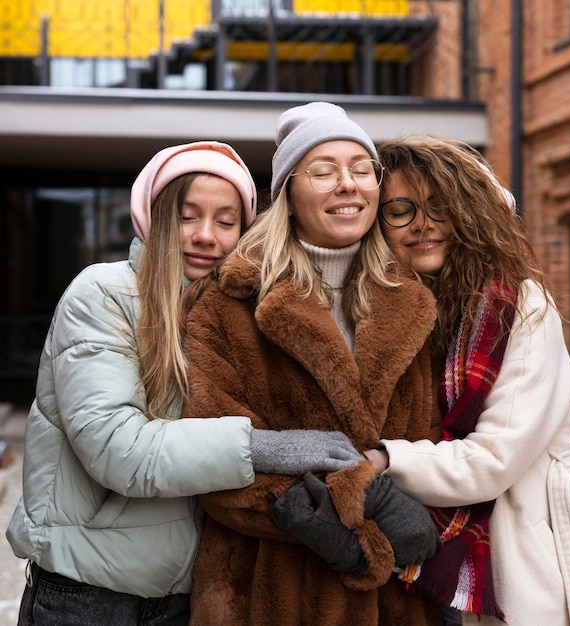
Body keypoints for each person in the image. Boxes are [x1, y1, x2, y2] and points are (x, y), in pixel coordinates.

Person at [6, 140, 363, 626]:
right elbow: (117, 447)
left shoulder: (234, 315)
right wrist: (265, 447)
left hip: (188, 598)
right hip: (88, 596)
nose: (205, 236)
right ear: (155, 217)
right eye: (187, 216)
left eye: (225, 220)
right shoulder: (103, 294)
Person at [182, 103, 443, 625]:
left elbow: (433, 439)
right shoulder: (229, 303)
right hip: (267, 590)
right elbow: (206, 456)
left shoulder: (413, 299)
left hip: (395, 600)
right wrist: (351, 515)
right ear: (288, 195)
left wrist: (402, 507)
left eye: (361, 169)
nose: (348, 184)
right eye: (323, 171)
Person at [364, 135, 570, 625]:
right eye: (401, 209)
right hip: (429, 546)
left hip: (526, 543)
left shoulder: (520, 308)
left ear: (472, 214)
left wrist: (384, 457)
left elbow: (493, 458)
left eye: (441, 206)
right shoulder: (401, 312)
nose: (423, 224)